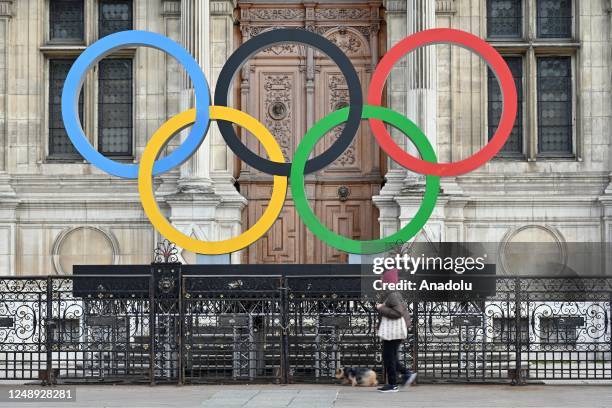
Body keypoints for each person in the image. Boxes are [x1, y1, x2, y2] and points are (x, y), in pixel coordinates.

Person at [376, 268, 418, 393]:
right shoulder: (393, 294)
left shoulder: (392, 295)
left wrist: (380, 308)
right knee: (390, 356)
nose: (380, 281)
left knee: (388, 356)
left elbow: (398, 312)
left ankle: (393, 384)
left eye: (382, 279)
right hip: (394, 332)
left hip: (393, 333)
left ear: (387, 281)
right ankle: (406, 374)